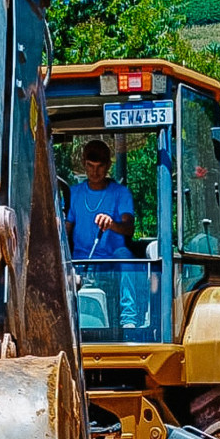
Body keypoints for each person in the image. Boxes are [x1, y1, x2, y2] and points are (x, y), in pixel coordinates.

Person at [65, 139, 137, 328]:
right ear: (84, 164)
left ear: (108, 166)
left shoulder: (121, 193)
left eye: (100, 166)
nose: (94, 172)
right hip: (81, 259)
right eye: (90, 166)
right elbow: (66, 230)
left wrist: (112, 224)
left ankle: (128, 319)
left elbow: (129, 228)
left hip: (111, 260)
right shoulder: (74, 193)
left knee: (125, 255)